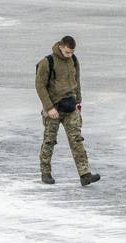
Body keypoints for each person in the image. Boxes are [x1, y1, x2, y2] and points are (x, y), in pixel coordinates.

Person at [35, 35, 99, 186]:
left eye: (72, 52)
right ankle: (45, 172)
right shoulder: (47, 62)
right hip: (54, 109)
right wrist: (49, 107)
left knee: (77, 140)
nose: (70, 55)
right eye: (67, 52)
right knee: (49, 141)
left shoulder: (74, 60)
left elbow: (76, 82)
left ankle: (85, 174)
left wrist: (78, 101)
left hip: (70, 107)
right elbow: (40, 86)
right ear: (61, 47)